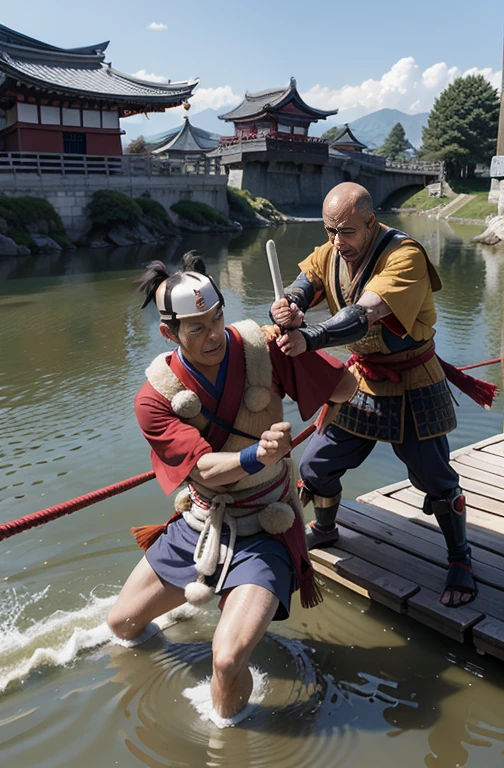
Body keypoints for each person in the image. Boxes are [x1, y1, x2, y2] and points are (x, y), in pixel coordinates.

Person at [107, 252, 357, 720]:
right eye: (196, 328)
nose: (213, 334)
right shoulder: (153, 397)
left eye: (216, 318)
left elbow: (344, 390)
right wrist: (256, 454)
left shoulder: (261, 347)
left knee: (225, 659)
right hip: (201, 518)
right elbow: (202, 470)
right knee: (121, 624)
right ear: (169, 333)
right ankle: (190, 614)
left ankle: (225, 735)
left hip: (266, 522)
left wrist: (303, 345)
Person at [270, 182, 495, 609]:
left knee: (436, 478)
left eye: (348, 231)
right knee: (316, 463)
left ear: (371, 222)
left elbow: (363, 314)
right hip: (361, 380)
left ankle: (460, 557)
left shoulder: (404, 255)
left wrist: (310, 337)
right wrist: (287, 306)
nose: (338, 241)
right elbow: (305, 281)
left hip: (413, 380)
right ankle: (327, 527)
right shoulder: (332, 250)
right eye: (330, 231)